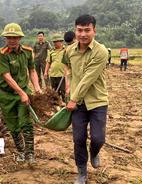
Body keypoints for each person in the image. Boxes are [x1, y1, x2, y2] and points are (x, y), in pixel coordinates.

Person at [63, 15, 108, 184]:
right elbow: (71, 72)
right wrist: (69, 89)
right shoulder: (69, 51)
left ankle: (95, 151)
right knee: (78, 139)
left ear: (94, 31)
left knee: (98, 138)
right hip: (78, 104)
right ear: (75, 31)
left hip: (97, 101)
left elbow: (88, 78)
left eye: (87, 30)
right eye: (80, 30)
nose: (83, 34)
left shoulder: (101, 51)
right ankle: (81, 172)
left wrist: (73, 98)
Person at [0, 23, 41, 163]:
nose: (12, 40)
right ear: (5, 38)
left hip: (24, 93)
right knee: (13, 125)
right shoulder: (1, 55)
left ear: (20, 38)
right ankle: (21, 151)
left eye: (15, 37)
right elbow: (7, 76)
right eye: (9, 37)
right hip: (7, 95)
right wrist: (20, 92)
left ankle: (30, 153)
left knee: (26, 122)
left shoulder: (27, 51)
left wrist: (37, 88)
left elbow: (32, 70)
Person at [44, 34, 66, 101]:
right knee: (54, 92)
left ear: (61, 42)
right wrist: (45, 72)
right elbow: (48, 62)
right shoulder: (51, 51)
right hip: (53, 75)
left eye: (57, 41)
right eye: (54, 42)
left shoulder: (66, 50)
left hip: (63, 75)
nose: (55, 43)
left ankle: (65, 104)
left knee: (63, 91)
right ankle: (57, 105)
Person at [62, 31, 76, 101]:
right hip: (73, 77)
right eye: (68, 45)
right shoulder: (67, 51)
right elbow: (66, 68)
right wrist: (67, 85)